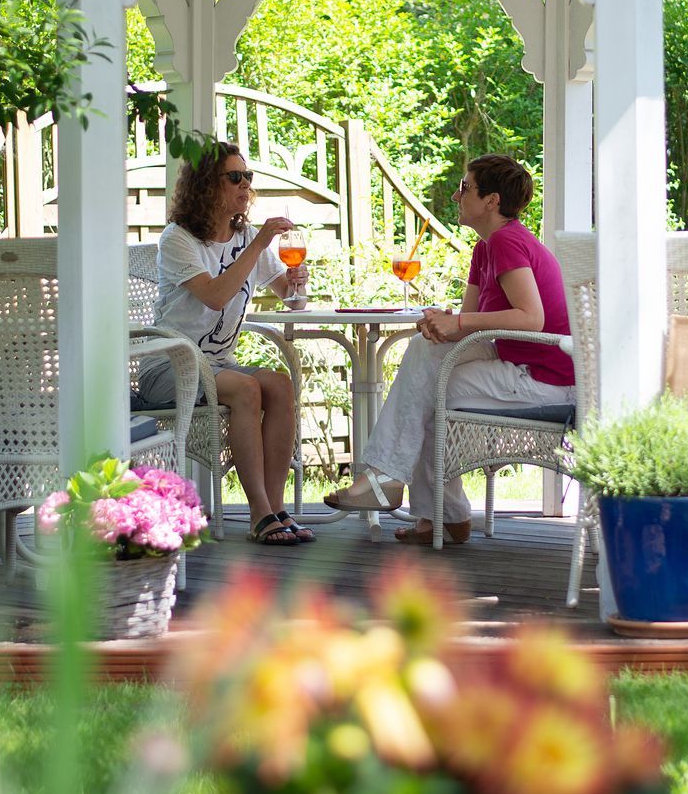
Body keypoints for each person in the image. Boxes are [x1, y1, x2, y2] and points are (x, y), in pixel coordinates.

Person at [324, 154, 574, 545]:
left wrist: (456, 323)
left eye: (464, 187)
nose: (457, 196)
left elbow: (531, 318)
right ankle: (430, 508)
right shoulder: (486, 248)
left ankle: (425, 504)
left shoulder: (507, 240)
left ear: (491, 200)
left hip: (548, 377)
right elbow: (468, 323)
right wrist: (441, 324)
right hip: (516, 358)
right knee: (426, 355)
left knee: (426, 392)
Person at [139, 142, 311, 546]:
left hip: (216, 364)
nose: (245, 184)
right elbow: (215, 296)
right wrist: (258, 244)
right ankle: (259, 513)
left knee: (279, 384)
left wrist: (298, 283)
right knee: (246, 387)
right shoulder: (179, 239)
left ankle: (275, 507)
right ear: (206, 185)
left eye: (247, 176)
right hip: (170, 365)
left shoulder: (246, 237)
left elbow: (291, 299)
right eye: (235, 177)